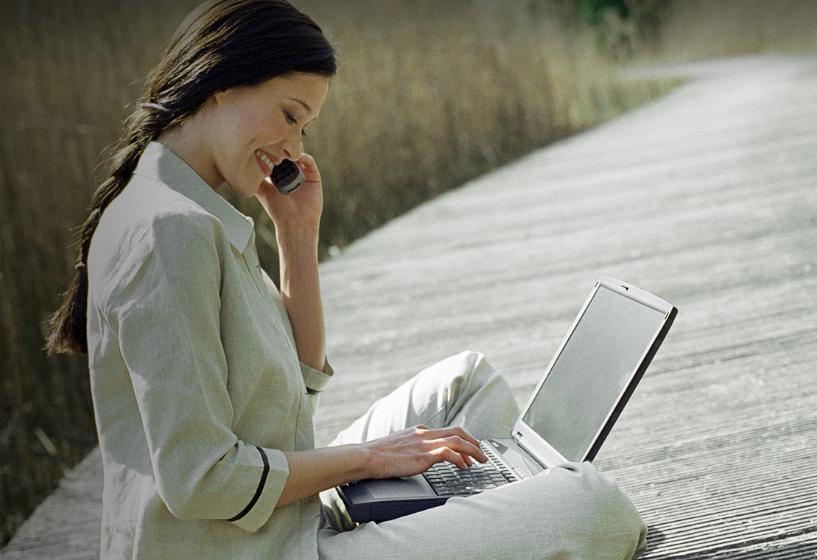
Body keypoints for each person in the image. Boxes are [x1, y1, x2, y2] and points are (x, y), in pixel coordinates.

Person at [43, 1, 648, 558]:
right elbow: (202, 479)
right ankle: (510, 518)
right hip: (256, 550)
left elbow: (293, 394)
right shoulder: (168, 231)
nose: (291, 147)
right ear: (221, 81)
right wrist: (369, 459)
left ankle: (489, 508)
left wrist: (298, 240)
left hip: (282, 518)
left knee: (470, 382)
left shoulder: (193, 205)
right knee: (592, 502)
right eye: (289, 114)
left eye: (304, 128)